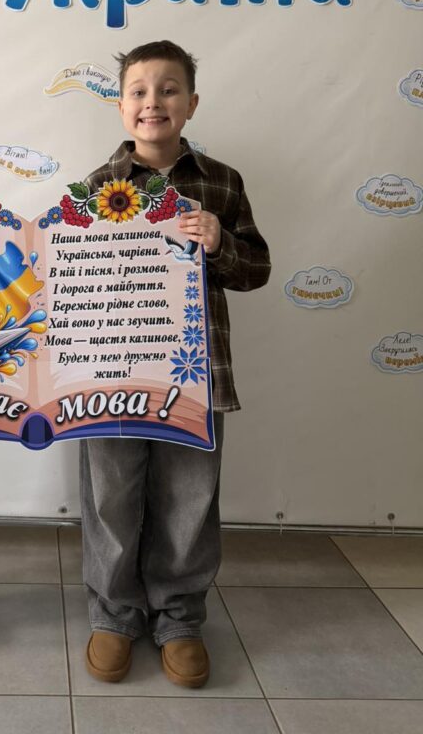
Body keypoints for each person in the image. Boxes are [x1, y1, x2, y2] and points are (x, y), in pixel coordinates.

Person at [80, 40, 270, 687]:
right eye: (138, 91)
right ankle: (114, 613)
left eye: (168, 90)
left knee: (189, 498)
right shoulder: (94, 189)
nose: (152, 102)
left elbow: (256, 269)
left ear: (191, 103)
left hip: (198, 375)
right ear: (120, 106)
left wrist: (218, 243)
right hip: (113, 376)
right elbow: (69, 281)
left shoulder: (223, 182)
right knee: (111, 496)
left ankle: (180, 618)